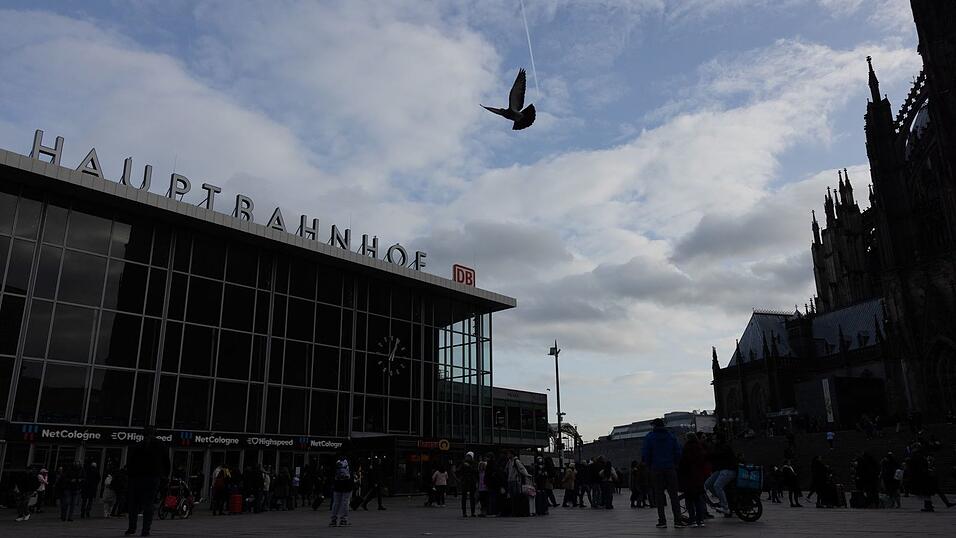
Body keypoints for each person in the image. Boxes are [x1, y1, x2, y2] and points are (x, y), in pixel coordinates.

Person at [125, 425, 171, 537]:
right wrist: (164, 476)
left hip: (136, 478)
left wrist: (130, 476)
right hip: (152, 478)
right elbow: (166, 463)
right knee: (148, 504)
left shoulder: (136, 446)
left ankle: (132, 527)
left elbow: (130, 463)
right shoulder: (161, 445)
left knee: (134, 504)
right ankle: (145, 530)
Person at [642, 418, 683, 529]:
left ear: (654, 426)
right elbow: (678, 451)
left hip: (656, 468)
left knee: (659, 496)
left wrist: (649, 465)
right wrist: (675, 464)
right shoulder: (671, 436)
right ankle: (678, 520)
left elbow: (646, 453)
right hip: (670, 468)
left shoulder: (650, 437)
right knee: (674, 495)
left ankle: (662, 521)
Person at [679, 433, 709, 528]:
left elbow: (683, 464)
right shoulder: (700, 448)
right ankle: (701, 520)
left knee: (689, 500)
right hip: (699, 478)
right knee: (698, 500)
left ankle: (693, 520)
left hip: (689, 478)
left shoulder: (686, 448)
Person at [704, 434, 737, 517]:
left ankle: (725, 507)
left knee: (717, 486)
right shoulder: (717, 447)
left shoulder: (724, 447)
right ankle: (721, 500)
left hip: (729, 469)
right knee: (707, 484)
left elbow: (716, 454)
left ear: (719, 440)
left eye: (714, 439)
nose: (713, 440)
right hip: (721, 470)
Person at [330, 453, 354, 527]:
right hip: (347, 484)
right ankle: (343, 520)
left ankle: (333, 520)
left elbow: (331, 472)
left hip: (337, 484)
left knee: (336, 502)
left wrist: (332, 483)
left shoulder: (335, 459)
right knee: (345, 502)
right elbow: (351, 472)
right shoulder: (350, 460)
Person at [505, 450, 531, 517]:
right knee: (512, 497)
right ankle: (514, 511)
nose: (507, 455)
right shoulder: (509, 462)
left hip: (515, 481)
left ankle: (516, 512)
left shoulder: (516, 461)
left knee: (515, 497)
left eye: (508, 454)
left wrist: (527, 475)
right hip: (510, 480)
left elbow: (522, 469)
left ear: (512, 454)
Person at [458, 452, 478, 517]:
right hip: (467, 481)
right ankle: (466, 512)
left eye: (469, 456)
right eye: (467, 456)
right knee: (466, 497)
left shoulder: (473, 463)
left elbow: (475, 471)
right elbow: (459, 471)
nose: (468, 457)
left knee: (471, 497)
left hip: (470, 481)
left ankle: (471, 512)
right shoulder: (464, 463)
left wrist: (469, 466)